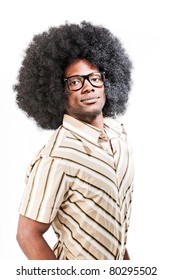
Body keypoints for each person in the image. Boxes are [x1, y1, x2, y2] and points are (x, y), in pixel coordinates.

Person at [14, 21, 134, 260]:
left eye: (94, 78)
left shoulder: (118, 135)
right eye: (75, 82)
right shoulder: (57, 157)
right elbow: (27, 234)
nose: (88, 88)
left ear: (107, 80)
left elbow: (115, 226)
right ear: (58, 92)